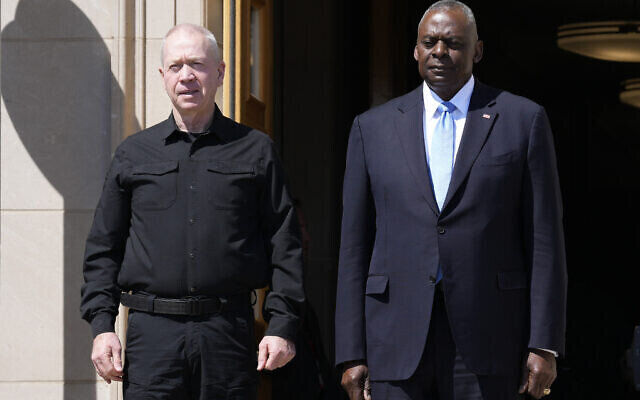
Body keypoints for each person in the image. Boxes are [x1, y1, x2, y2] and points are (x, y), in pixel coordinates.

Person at [335, 1, 567, 399]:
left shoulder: (522, 120)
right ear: (416, 50)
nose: (439, 52)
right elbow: (354, 246)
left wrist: (544, 343)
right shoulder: (371, 128)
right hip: (395, 337)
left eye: (453, 43)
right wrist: (350, 350)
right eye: (429, 42)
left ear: (477, 51)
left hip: (490, 336)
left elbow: (545, 240)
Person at [80, 23, 304, 399]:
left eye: (197, 64)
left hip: (228, 334)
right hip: (152, 339)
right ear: (163, 76)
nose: (186, 75)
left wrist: (282, 324)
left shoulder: (256, 150)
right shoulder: (133, 154)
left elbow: (286, 244)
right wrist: (102, 326)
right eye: (175, 66)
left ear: (220, 72)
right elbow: (104, 248)